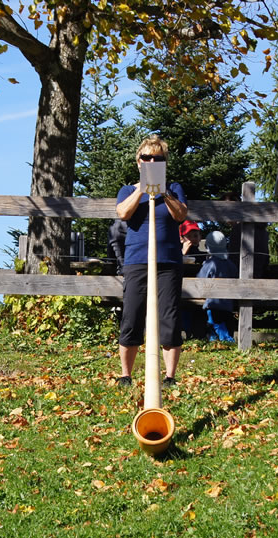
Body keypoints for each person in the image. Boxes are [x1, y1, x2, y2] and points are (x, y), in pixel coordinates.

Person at [115, 135, 188, 388]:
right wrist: (142, 189)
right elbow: (123, 213)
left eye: (157, 158)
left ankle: (169, 377)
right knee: (132, 314)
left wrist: (163, 191)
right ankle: (126, 375)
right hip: (137, 259)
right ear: (138, 162)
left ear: (164, 162)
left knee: (169, 315)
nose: (151, 161)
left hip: (168, 260)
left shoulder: (174, 188)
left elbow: (180, 215)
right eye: (146, 158)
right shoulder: (127, 190)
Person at [197, 231, 238, 342]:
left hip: (213, 303)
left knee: (215, 325)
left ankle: (222, 340)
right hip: (228, 304)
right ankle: (220, 338)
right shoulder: (231, 264)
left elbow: (200, 280)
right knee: (223, 324)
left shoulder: (209, 264)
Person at [221, 191, 269, 278]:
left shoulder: (239, 229)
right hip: (259, 275)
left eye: (226, 208)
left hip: (240, 278)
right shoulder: (260, 228)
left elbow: (233, 259)